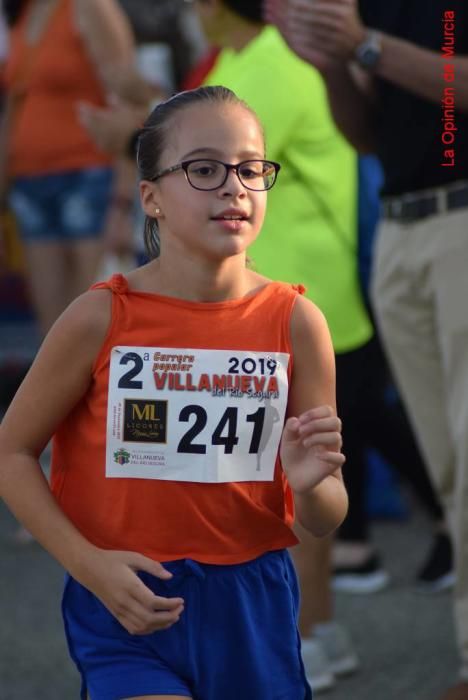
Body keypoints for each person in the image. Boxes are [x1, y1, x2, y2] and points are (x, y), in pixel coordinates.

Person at [0, 85, 347, 700]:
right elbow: (12, 452)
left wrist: (313, 481)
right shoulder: (100, 317)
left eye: (250, 168)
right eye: (205, 169)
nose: (234, 186)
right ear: (151, 198)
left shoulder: (296, 321)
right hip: (126, 596)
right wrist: (89, 565)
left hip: (252, 601)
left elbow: (323, 517)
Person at [265, 1, 468, 698]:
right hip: (402, 229)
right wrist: (329, 62)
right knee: (445, 466)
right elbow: (365, 137)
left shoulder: (379, 22)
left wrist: (366, 45)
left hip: (460, 221)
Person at [0, 0, 135, 337]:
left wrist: (122, 201)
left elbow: (129, 102)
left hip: (87, 175)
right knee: (52, 331)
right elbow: (15, 105)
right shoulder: (25, 12)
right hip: (29, 181)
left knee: (92, 320)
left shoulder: (90, 7)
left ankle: (95, 391)